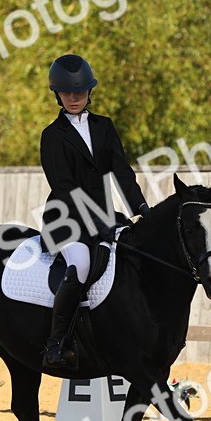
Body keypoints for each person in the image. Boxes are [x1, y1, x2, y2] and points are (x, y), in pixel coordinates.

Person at [39, 54, 150, 370]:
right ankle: (56, 343)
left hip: (103, 216)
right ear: (57, 95)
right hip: (67, 220)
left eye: (79, 92)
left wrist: (141, 208)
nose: (74, 98)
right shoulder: (52, 135)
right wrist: (95, 221)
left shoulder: (105, 126)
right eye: (67, 93)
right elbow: (63, 186)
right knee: (81, 264)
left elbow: (121, 171)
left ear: (89, 92)